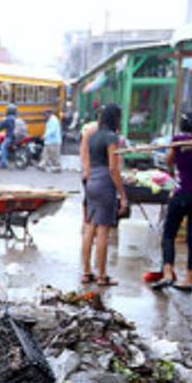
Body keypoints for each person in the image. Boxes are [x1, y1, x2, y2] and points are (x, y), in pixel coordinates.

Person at [151, 112, 192, 293]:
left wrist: (174, 153)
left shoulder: (178, 141)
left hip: (182, 193)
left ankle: (168, 273)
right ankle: (188, 280)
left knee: (169, 234)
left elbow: (169, 161)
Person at [81, 103, 128, 286]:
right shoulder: (111, 138)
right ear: (115, 118)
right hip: (104, 184)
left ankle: (87, 272)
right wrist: (123, 195)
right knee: (103, 232)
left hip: (91, 182)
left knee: (89, 228)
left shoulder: (93, 136)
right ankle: (102, 275)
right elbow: (113, 169)